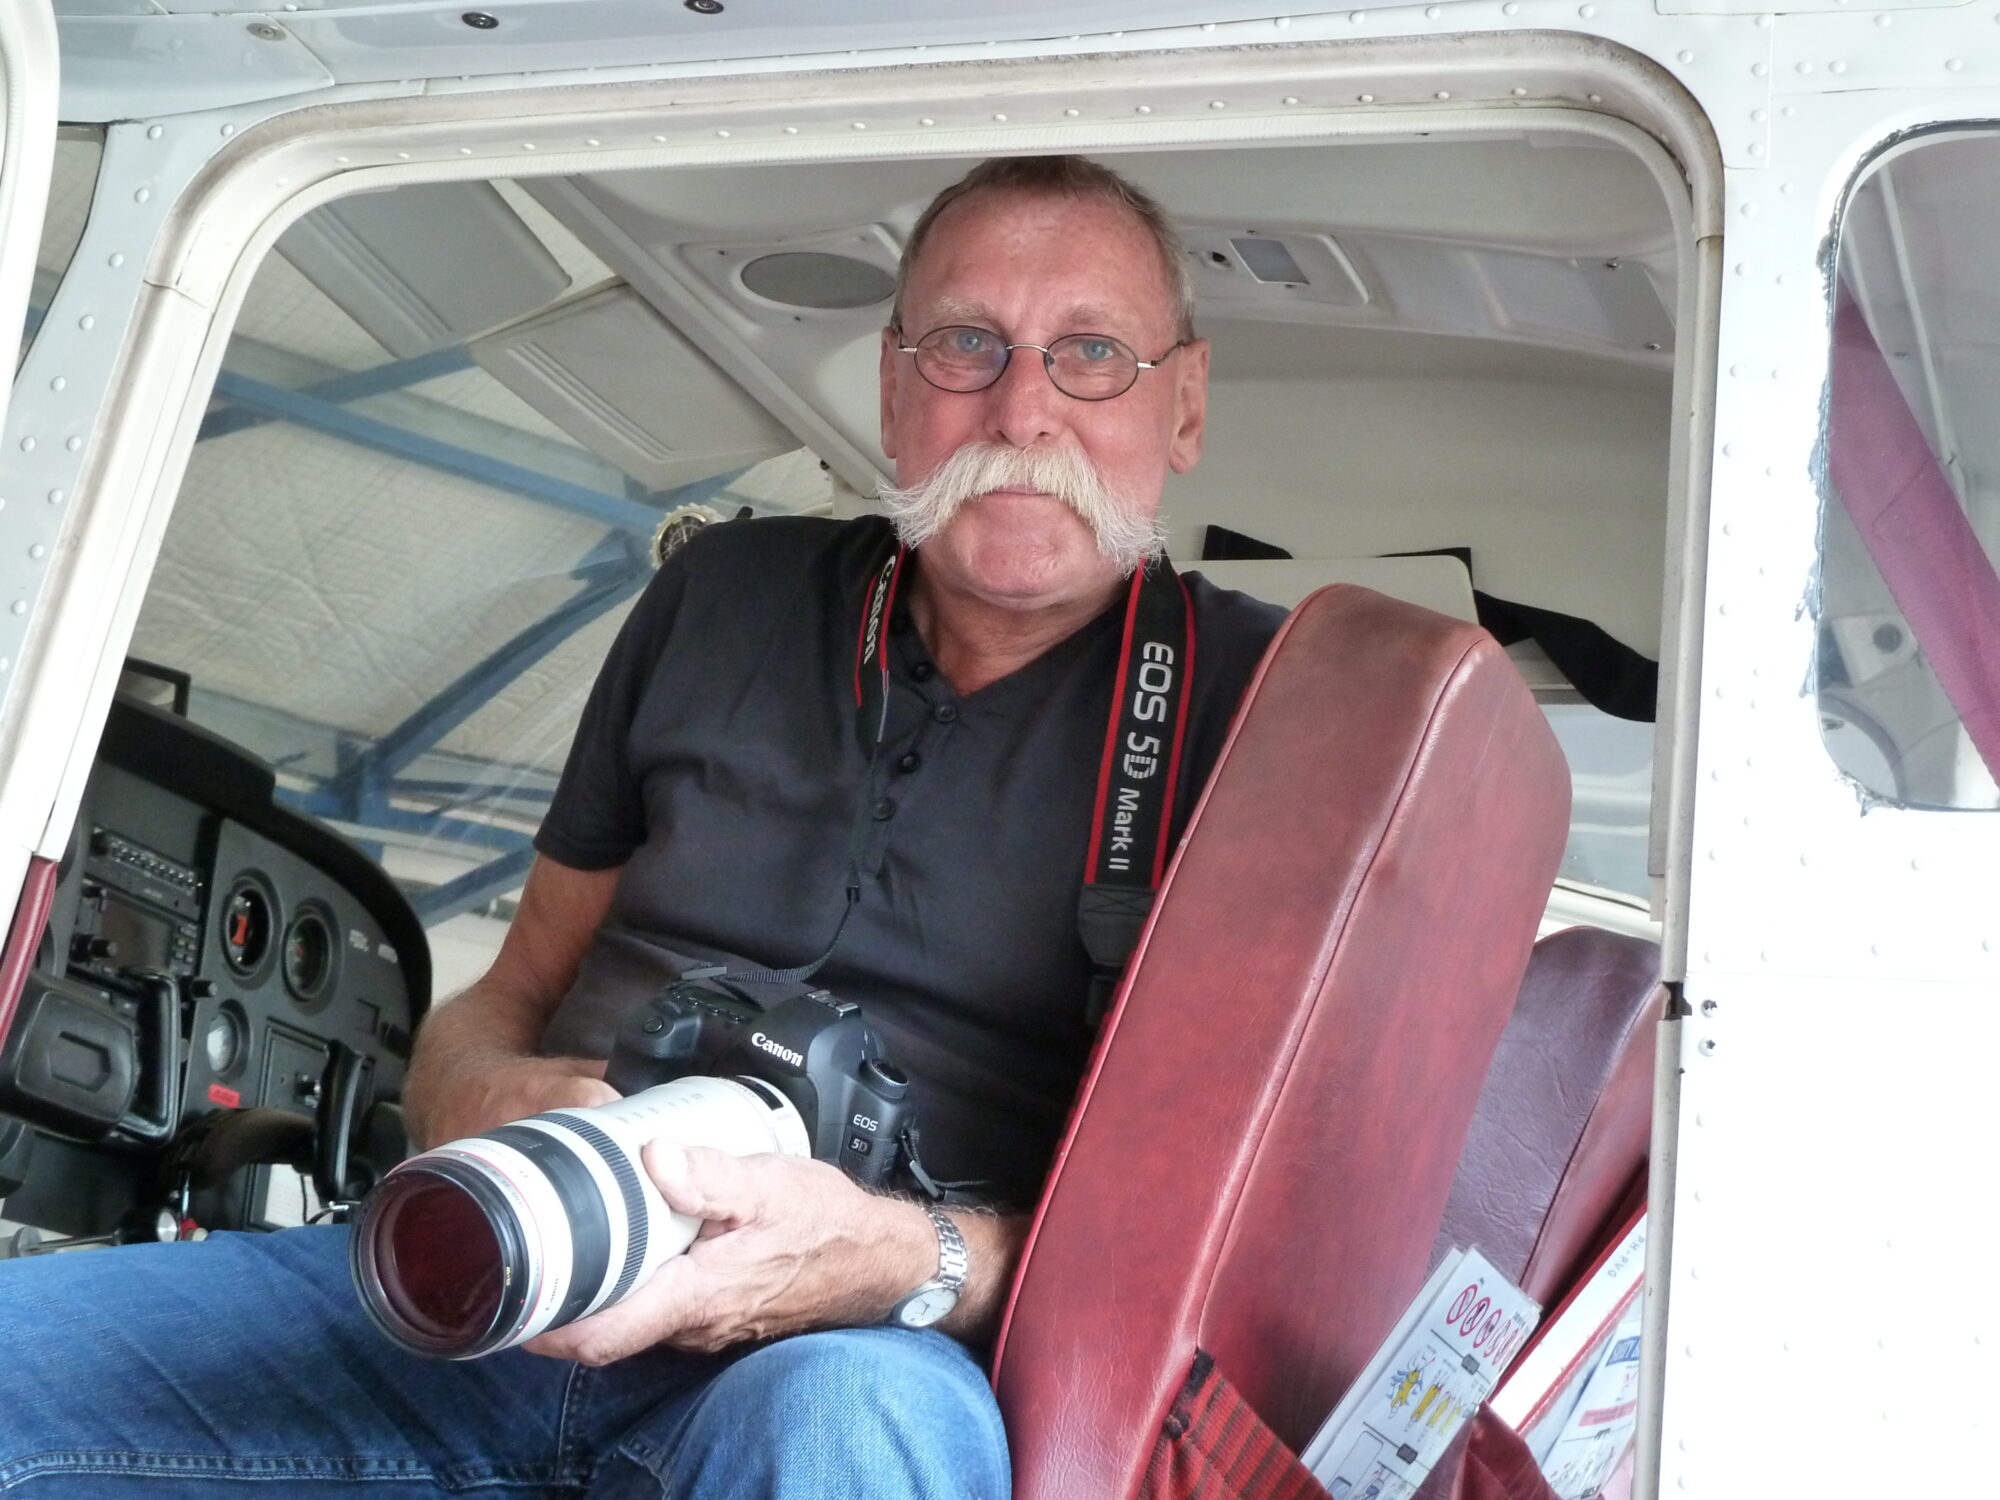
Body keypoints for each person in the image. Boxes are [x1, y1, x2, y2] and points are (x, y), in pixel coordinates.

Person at [0, 155, 1284, 1498]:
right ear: (898, 390)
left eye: (1090, 352)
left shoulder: (1266, 721)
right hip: (521, 1273)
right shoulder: (721, 593)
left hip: (861, 1349)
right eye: (967, 345)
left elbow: (1228, 1253)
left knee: (849, 1431)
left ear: (1182, 403)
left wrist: (904, 1257)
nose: (1021, 407)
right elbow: (505, 996)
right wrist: (473, 1094)